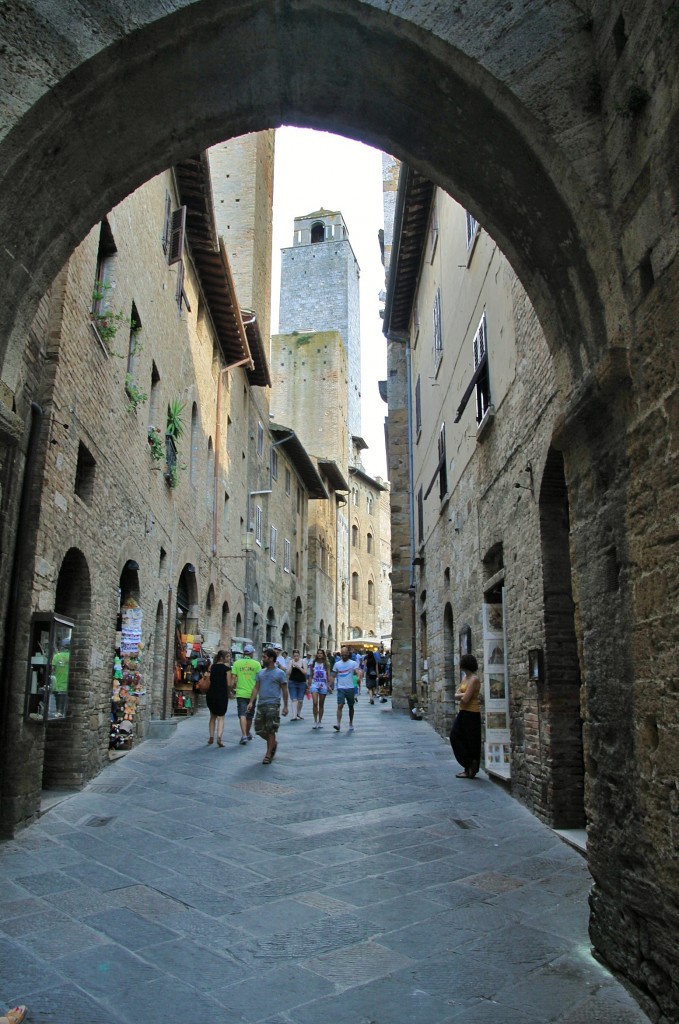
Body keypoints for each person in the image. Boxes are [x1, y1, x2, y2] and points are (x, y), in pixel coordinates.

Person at [248, 647, 289, 764]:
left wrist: (285, 706)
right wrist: (251, 702)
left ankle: (268, 754)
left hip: (273, 704)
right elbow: (256, 688)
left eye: (264, 657)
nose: (262, 659)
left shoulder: (280, 673)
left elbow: (285, 690)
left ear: (271, 659)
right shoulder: (260, 673)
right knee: (259, 729)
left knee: (271, 730)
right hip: (261, 703)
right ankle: (273, 743)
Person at [450, 653, 482, 778]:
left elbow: (466, 699)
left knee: (470, 741)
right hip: (463, 712)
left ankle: (470, 768)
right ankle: (469, 764)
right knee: (456, 736)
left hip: (472, 713)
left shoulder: (474, 679)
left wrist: (461, 695)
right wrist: (461, 695)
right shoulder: (465, 678)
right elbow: (456, 694)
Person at [230, 642, 261, 745]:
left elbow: (233, 679)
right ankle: (247, 733)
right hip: (253, 693)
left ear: (244, 653)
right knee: (250, 715)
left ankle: (244, 735)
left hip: (241, 693)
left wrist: (231, 688)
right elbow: (259, 679)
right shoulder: (256, 664)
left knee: (242, 714)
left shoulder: (237, 663)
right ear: (251, 653)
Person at [331, 645, 362, 733]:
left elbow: (357, 671)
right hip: (340, 687)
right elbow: (333, 675)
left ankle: (351, 722)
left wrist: (359, 677)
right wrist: (329, 685)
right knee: (340, 705)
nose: (343, 656)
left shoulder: (353, 663)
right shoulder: (337, 664)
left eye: (345, 654)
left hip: (350, 687)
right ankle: (338, 724)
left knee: (351, 706)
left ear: (348, 654)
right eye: (342, 655)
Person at [206, 650, 229, 747]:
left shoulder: (211, 667)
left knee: (212, 716)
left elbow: (208, 678)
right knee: (221, 717)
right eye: (227, 657)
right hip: (222, 694)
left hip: (211, 693)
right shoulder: (227, 669)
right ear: (221, 658)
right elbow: (228, 684)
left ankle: (211, 737)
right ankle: (219, 737)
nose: (229, 658)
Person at [308, 648, 331, 729]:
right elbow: (310, 675)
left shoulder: (326, 664)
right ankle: (315, 720)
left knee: (321, 704)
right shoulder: (313, 663)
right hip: (315, 684)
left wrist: (329, 685)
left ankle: (319, 721)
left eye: (321, 653)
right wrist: (308, 686)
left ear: (323, 654)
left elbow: (328, 675)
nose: (319, 654)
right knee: (315, 702)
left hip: (323, 684)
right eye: (318, 653)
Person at [51, 635, 70, 716]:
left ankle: (58, 711)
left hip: (57, 684)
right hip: (66, 685)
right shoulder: (71, 657)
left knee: (57, 700)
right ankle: (61, 711)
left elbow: (52, 669)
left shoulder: (56, 656)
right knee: (63, 702)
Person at [286, 649, 308, 720]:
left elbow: (305, 672)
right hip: (292, 682)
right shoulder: (290, 662)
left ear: (299, 655)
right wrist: (292, 667)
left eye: (297, 656)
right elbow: (288, 673)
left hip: (302, 682)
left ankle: (298, 713)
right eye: (295, 656)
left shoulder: (303, 661)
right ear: (293, 656)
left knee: (300, 700)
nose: (296, 657)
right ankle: (294, 715)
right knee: (294, 699)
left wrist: (298, 667)